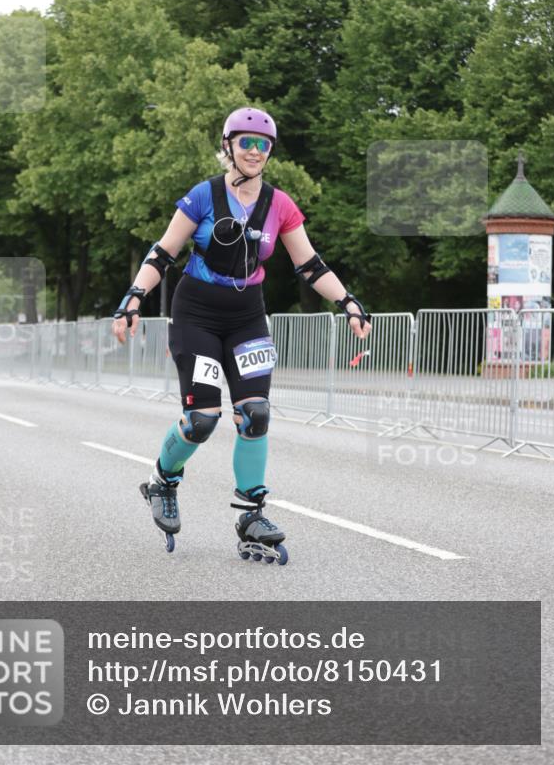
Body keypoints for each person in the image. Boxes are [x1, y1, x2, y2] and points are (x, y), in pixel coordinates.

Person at [112, 107, 371, 561]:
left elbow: (310, 265)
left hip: (247, 315)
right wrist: (133, 297)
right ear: (228, 146)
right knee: (202, 419)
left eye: (263, 144)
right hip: (196, 313)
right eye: (245, 142)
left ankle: (251, 513)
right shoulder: (204, 195)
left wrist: (348, 302)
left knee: (255, 414)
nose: (254, 151)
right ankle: (162, 481)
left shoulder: (279, 204)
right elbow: (163, 253)